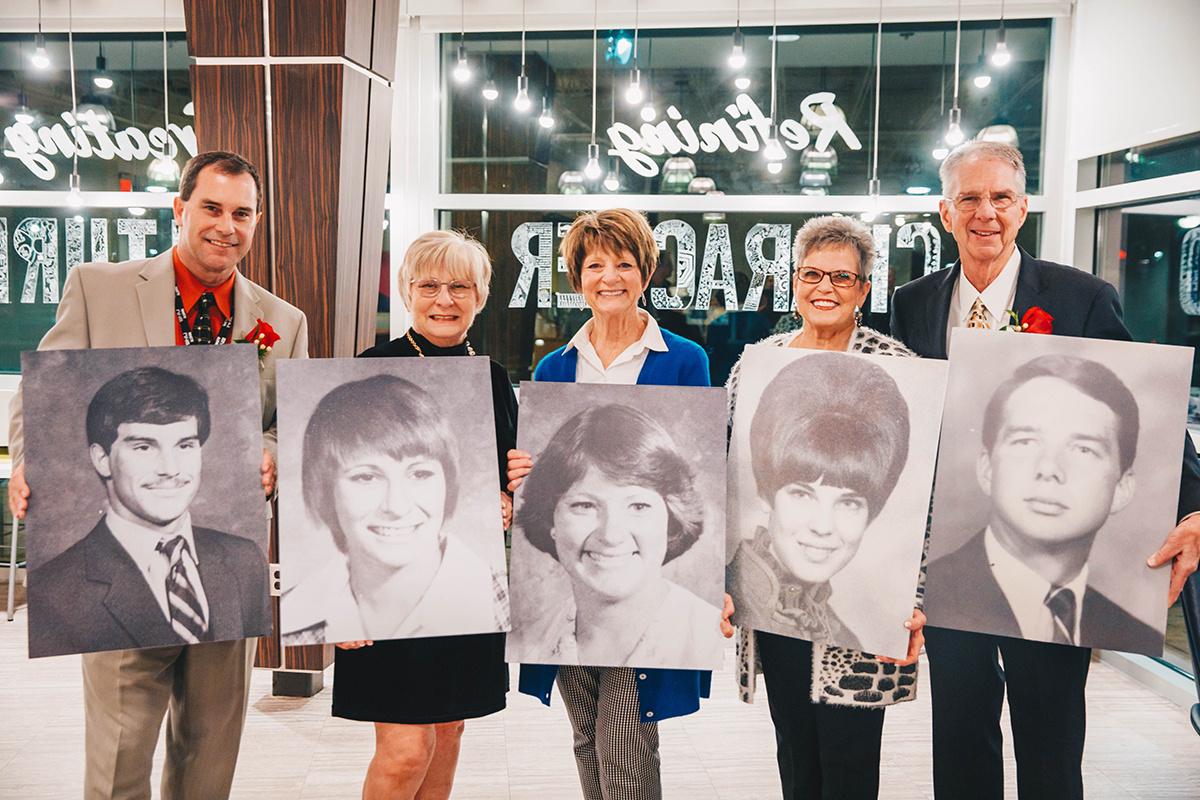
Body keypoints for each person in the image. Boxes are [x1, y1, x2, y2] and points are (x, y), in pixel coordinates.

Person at [889, 139, 1200, 800]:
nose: (985, 213)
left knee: (1050, 742)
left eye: (1000, 197)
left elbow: (1143, 407)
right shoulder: (912, 301)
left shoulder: (1081, 296)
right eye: (968, 198)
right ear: (945, 213)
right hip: (953, 557)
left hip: (1057, 566)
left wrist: (1194, 506)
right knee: (960, 735)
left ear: (1022, 208)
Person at [7, 150, 307, 800]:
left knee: (207, 768)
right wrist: (32, 455)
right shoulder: (100, 287)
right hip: (113, 569)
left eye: (243, 213)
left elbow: (292, 427)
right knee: (117, 769)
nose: (227, 225)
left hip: (226, 574)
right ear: (179, 209)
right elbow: (46, 394)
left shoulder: (283, 322)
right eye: (212, 208)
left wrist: (273, 454)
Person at [507, 208, 734, 800]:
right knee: (585, 735)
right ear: (576, 276)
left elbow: (694, 474)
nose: (610, 276)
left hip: (645, 586)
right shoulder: (555, 366)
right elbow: (547, 478)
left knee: (628, 740)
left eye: (625, 264)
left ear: (646, 272)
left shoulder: (685, 360)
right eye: (594, 264)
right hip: (578, 586)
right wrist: (521, 470)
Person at [725, 214, 925, 800]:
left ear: (865, 288)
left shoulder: (900, 368)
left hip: (871, 611)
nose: (825, 288)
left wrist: (916, 602)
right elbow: (729, 473)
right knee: (795, 748)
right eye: (812, 274)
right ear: (793, 280)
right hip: (774, 601)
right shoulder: (756, 366)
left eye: (843, 277)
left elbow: (926, 499)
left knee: (851, 758)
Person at [322, 230, 516, 800]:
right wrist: (338, 599)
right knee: (407, 750)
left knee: (449, 731)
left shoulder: (494, 377)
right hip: (383, 589)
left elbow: (502, 477)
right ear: (407, 292)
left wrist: (507, 498)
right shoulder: (368, 370)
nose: (445, 300)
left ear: (480, 296)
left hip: (463, 582)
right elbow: (334, 491)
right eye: (429, 285)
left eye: (460, 286)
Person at [27, 367, 270, 658]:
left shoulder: (245, 559)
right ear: (102, 459)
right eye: (143, 447)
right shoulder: (55, 591)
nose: (170, 468)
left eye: (185, 445)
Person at [925, 354, 1160, 652]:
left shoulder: (1135, 633)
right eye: (1026, 442)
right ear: (986, 469)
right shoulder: (930, 598)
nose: (1049, 469)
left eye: (1084, 449)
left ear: (1123, 488)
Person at [282, 374, 508, 644]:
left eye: (420, 474)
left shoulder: (502, 604)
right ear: (325, 492)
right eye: (366, 477)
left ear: (448, 483)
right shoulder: (295, 615)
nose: (397, 506)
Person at [511, 403, 723, 669]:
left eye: (638, 506)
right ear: (549, 521)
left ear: (671, 519)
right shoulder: (528, 642)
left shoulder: (710, 639)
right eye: (584, 506)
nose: (610, 535)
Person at [729, 352, 910, 654]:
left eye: (850, 503)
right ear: (765, 493)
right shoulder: (721, 600)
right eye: (802, 494)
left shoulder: (848, 642)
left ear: (871, 515)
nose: (823, 526)